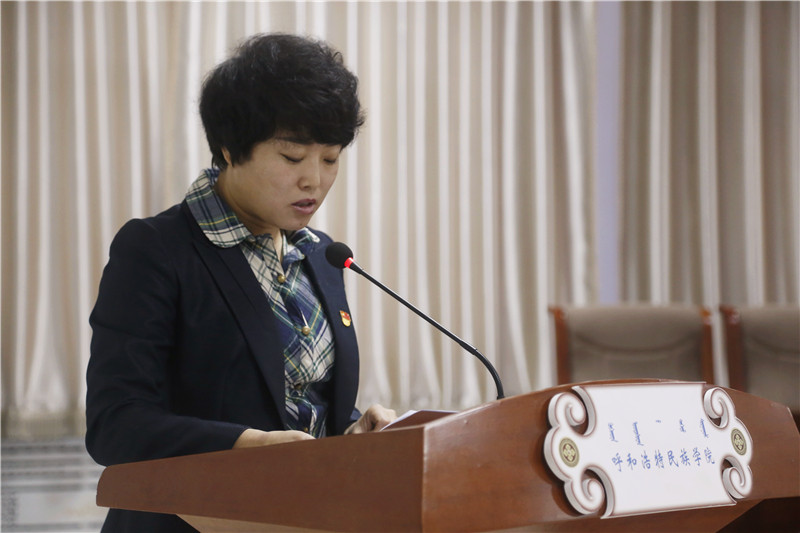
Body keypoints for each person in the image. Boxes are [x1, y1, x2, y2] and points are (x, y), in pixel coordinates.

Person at [85, 33, 396, 532]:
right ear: (230, 149)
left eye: (330, 158)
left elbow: (296, 402)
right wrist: (248, 445)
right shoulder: (157, 249)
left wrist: (351, 432)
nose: (314, 181)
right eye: (292, 158)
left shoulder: (319, 253)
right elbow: (115, 424)